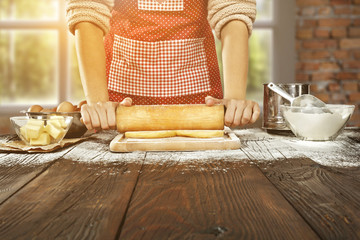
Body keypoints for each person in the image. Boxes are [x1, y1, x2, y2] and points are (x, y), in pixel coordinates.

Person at [66, 0, 260, 130]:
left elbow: (232, 9)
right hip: (119, 107)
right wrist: (99, 104)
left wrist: (234, 99)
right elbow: (88, 10)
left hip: (200, 104)